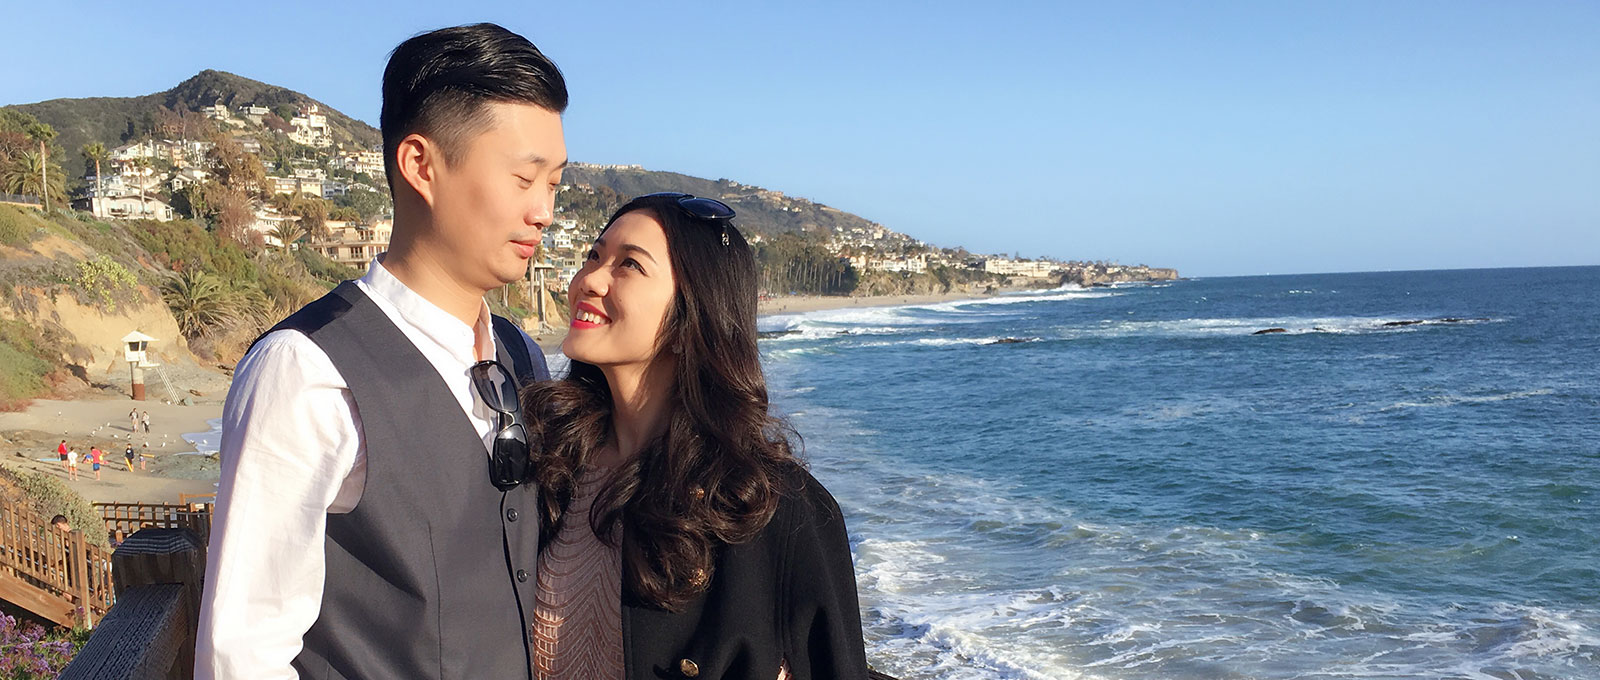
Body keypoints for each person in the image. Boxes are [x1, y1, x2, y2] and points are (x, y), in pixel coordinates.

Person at [195, 23, 567, 680]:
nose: (543, 211)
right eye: (523, 179)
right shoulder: (308, 371)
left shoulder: (520, 356)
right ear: (422, 165)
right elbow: (242, 654)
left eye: (555, 184)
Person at [522, 194, 869, 679]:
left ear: (693, 312)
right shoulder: (547, 467)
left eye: (629, 265)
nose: (589, 280)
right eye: (594, 256)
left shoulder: (770, 510)